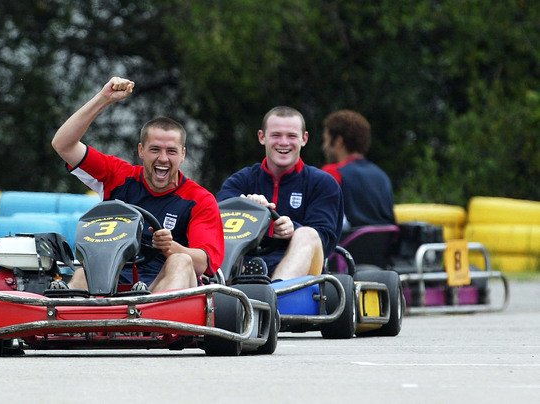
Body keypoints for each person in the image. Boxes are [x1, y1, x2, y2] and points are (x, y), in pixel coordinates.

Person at [51, 76, 224, 292]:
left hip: (160, 289)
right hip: (111, 286)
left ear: (183, 155)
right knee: (82, 271)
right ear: (141, 151)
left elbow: (203, 263)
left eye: (171, 151)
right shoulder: (118, 176)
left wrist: (171, 247)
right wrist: (103, 99)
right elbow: (63, 145)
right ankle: (73, 322)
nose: (163, 159)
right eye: (155, 150)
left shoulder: (200, 199)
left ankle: (148, 322)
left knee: (181, 261)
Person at [217, 106, 343, 281]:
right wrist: (244, 206)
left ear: (304, 139)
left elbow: (325, 239)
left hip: (300, 269)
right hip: (245, 263)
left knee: (307, 234)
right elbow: (215, 218)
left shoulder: (322, 183)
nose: (283, 142)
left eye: (291, 136)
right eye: (276, 135)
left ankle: (274, 296)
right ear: (262, 137)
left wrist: (293, 229)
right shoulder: (241, 180)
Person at [321, 109, 395, 230]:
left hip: (348, 246)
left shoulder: (332, 173)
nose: (324, 147)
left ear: (339, 141)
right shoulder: (382, 175)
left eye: (326, 140)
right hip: (384, 247)